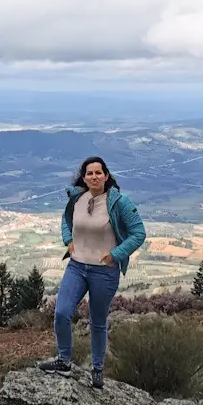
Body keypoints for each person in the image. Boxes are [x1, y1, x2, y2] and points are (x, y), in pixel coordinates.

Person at [37, 156, 146, 388]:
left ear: (106, 176)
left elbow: (139, 233)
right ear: (84, 177)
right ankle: (64, 360)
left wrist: (116, 254)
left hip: (104, 272)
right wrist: (68, 240)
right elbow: (67, 220)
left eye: (98, 173)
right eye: (89, 173)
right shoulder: (77, 198)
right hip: (76, 266)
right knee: (62, 313)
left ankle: (97, 370)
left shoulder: (119, 203)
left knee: (97, 322)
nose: (94, 177)